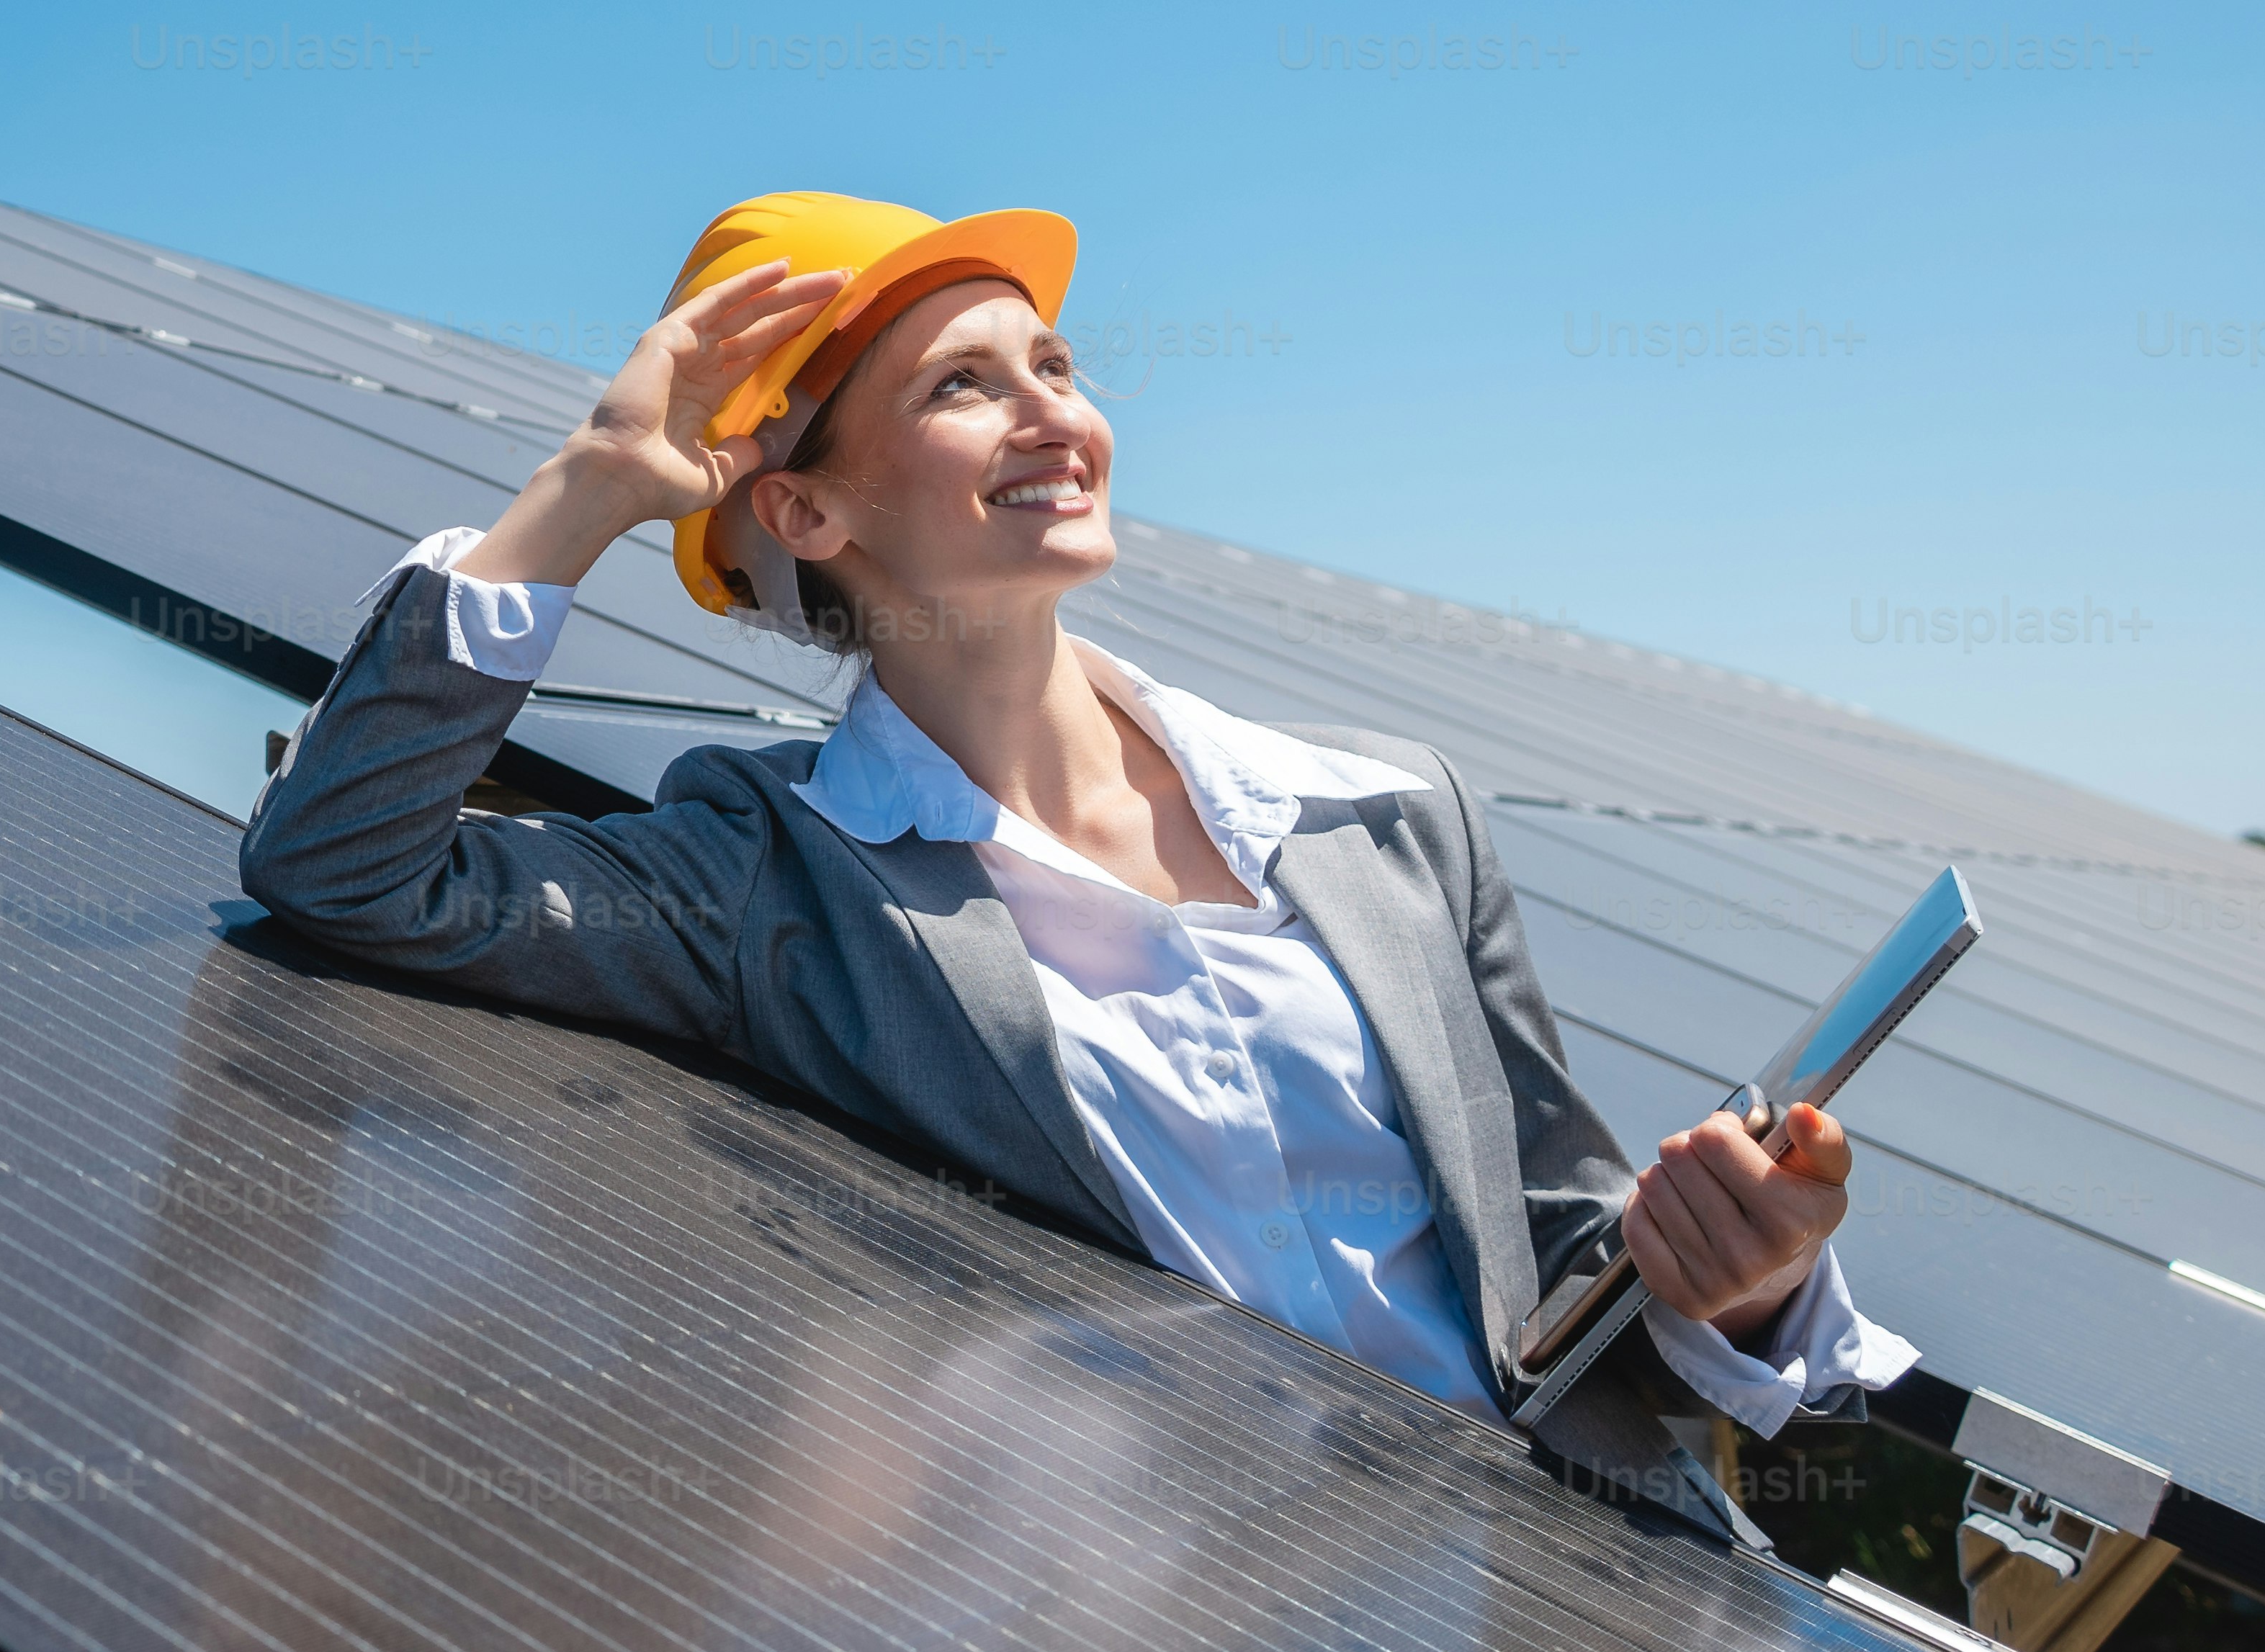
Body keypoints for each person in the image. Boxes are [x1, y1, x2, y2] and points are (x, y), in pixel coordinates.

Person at [236, 192, 1906, 1525]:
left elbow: (1561, 1262)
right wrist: (588, 492)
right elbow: (348, 866)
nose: (1050, 414)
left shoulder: (1388, 814)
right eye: (963, 386)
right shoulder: (766, 873)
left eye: (1055, 365)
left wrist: (1744, 1287)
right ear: (809, 514)